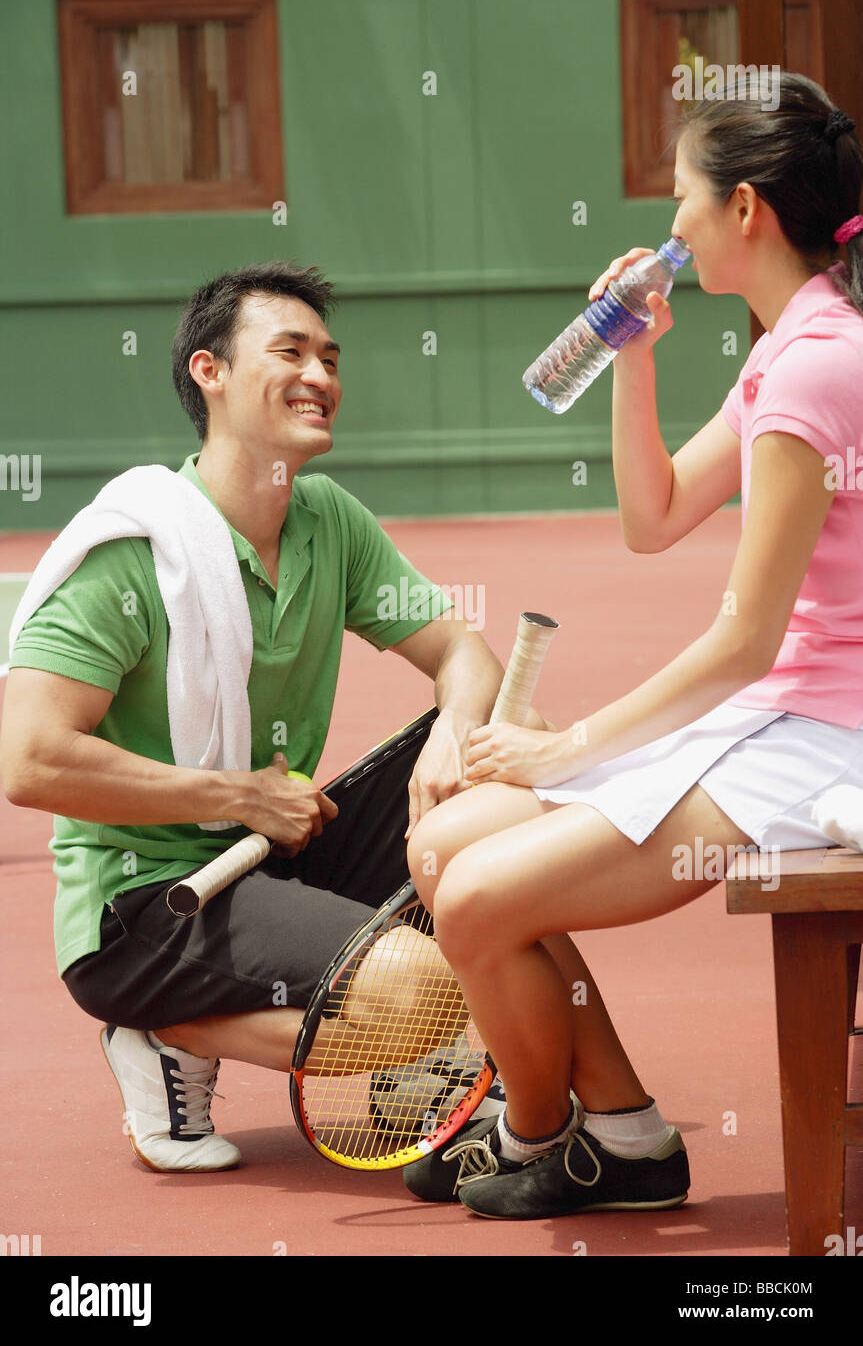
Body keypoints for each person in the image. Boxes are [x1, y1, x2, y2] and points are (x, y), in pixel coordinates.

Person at [402, 72, 863, 1219]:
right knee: (439, 846)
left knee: (470, 900)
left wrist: (570, 751)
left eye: (678, 202)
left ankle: (537, 1131)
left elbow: (744, 640)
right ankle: (621, 1134)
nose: (667, 230)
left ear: (744, 210)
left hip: (823, 736)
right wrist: (634, 352)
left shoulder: (816, 362)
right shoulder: (782, 350)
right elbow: (651, 518)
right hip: (776, 712)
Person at [0, 261, 518, 1173]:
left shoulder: (325, 518)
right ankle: (164, 1026)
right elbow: (29, 761)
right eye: (289, 351)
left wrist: (451, 737)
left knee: (500, 762)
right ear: (211, 373)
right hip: (145, 900)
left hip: (268, 844)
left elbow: (465, 655)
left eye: (329, 356)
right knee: (425, 994)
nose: (320, 374)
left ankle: (420, 1073)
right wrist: (236, 795)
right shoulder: (128, 554)